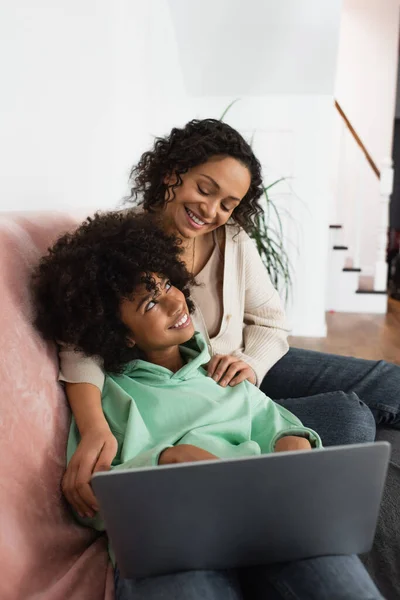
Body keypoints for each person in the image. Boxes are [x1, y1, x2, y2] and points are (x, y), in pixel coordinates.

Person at [58, 119, 400, 523]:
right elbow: (79, 336)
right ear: (172, 172)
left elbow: (271, 322)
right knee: (351, 416)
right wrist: (94, 425)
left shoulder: (232, 239)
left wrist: (252, 364)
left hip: (242, 373)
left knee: (390, 383)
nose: (212, 210)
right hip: (200, 393)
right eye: (205, 189)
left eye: (228, 203)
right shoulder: (122, 244)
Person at [33, 211, 384, 600]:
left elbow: (276, 421)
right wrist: (166, 460)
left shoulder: (218, 371)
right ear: (121, 335)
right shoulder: (108, 400)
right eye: (150, 304)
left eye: (166, 284)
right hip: (171, 544)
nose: (172, 301)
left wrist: (293, 445)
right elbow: (94, 502)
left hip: (268, 524)